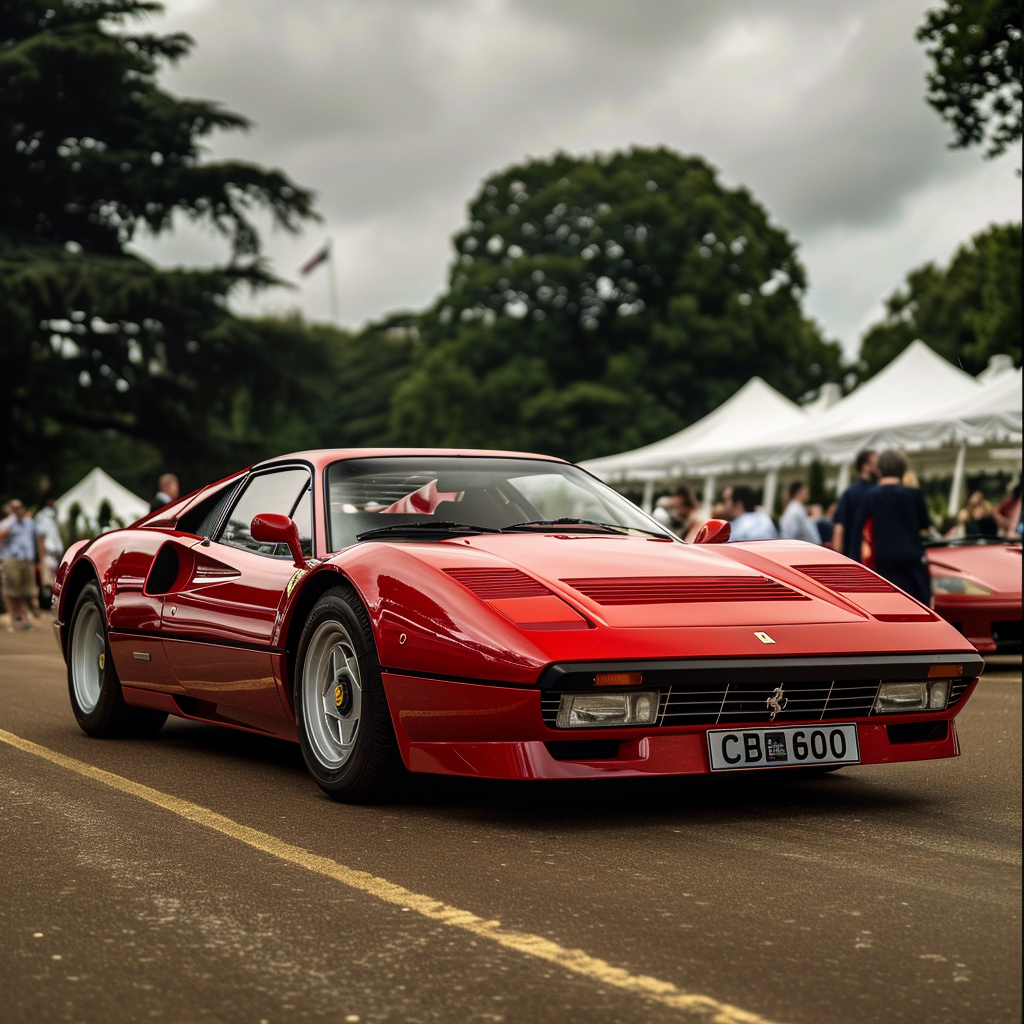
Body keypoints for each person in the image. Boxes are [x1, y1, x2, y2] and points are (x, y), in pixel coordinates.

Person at [851, 450, 931, 604]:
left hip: (885, 558)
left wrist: (855, 563)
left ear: (880, 469)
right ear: (903, 468)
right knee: (919, 603)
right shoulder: (914, 494)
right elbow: (925, 525)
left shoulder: (871, 495)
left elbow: (857, 529)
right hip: (912, 557)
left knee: (890, 603)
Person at [0, 500, 40, 630]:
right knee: (13, 591)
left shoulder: (29, 522)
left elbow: (36, 539)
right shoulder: (8, 523)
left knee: (27, 591)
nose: (18, 509)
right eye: (15, 507)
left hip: (27, 560)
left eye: (20, 507)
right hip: (11, 559)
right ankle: (16, 617)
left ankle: (24, 617)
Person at [833, 449, 878, 561]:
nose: (878, 467)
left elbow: (839, 527)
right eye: (875, 464)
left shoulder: (849, 492)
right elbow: (839, 527)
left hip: (854, 556)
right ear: (865, 466)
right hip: (871, 555)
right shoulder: (875, 491)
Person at [34, 497, 64, 610]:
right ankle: (45, 606)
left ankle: (51, 604)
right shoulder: (43, 517)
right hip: (48, 553)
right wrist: (42, 557)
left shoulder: (53, 517)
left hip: (55, 554)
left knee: (53, 580)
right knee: (47, 581)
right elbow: (40, 538)